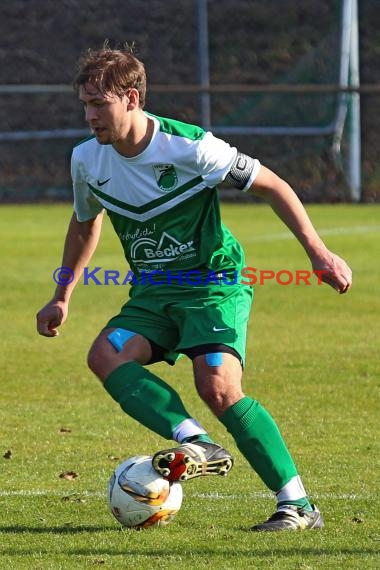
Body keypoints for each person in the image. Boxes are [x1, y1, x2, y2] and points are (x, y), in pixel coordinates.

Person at [36, 44, 352, 532]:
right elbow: (85, 224)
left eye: (99, 103)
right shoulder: (86, 159)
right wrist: (63, 294)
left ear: (132, 98)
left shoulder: (189, 147)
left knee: (218, 386)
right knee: (105, 354)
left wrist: (318, 252)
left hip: (211, 284)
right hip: (153, 293)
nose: (89, 115)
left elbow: (271, 184)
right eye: (84, 104)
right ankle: (197, 442)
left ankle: (298, 506)